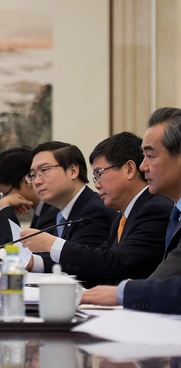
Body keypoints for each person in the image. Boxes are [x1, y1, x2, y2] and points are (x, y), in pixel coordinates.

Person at [19, 133, 172, 286]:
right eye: (95, 176)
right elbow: (97, 259)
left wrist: (52, 244)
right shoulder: (123, 216)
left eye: (99, 173)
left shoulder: (155, 209)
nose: (97, 185)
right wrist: (36, 261)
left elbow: (115, 263)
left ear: (129, 169)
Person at [84, 108, 181, 309]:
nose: (143, 167)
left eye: (150, 156)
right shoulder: (174, 213)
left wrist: (125, 292)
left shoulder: (156, 209)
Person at [19, 141, 117, 272]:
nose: (36, 181)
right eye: (33, 175)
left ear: (73, 171)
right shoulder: (60, 213)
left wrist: (31, 261)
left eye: (44, 170)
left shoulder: (94, 212)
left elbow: (82, 266)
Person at [0, 147, 59, 262]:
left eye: (5, 193)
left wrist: (4, 206)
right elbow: (27, 254)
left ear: (26, 181)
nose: (5, 198)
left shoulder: (53, 211)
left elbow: (25, 260)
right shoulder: (43, 212)